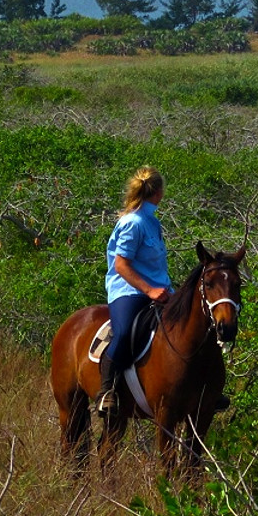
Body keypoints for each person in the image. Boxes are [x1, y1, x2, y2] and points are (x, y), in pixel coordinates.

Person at [96, 166, 172, 415]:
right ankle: (107, 391)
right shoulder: (133, 223)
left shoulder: (152, 222)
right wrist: (150, 291)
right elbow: (121, 265)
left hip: (160, 290)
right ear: (158, 193)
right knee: (125, 332)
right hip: (129, 291)